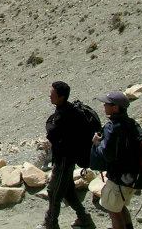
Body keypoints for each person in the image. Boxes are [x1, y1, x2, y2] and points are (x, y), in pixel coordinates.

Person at [40, 81, 95, 229]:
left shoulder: (67, 114)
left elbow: (52, 132)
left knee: (53, 192)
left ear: (61, 97)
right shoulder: (66, 110)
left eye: (52, 93)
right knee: (68, 192)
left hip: (65, 159)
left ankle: (51, 224)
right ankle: (84, 219)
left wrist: (51, 128)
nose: (49, 95)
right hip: (64, 158)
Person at [90, 91, 136, 229]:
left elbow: (107, 154)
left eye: (106, 104)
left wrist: (97, 143)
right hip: (131, 175)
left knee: (114, 212)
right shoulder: (131, 123)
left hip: (117, 178)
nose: (104, 106)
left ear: (115, 107)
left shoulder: (112, 127)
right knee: (120, 208)